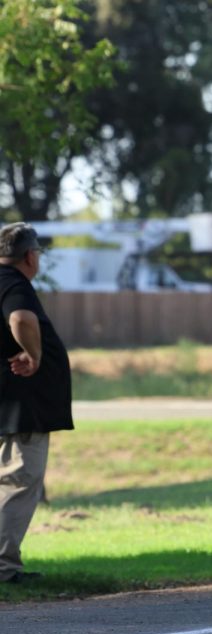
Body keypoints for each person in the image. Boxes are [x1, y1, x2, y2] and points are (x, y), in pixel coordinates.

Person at [0, 223, 73, 584]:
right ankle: (4, 569)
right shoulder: (13, 284)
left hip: (9, 405)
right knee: (17, 481)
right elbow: (21, 318)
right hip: (19, 407)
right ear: (30, 256)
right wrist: (34, 354)